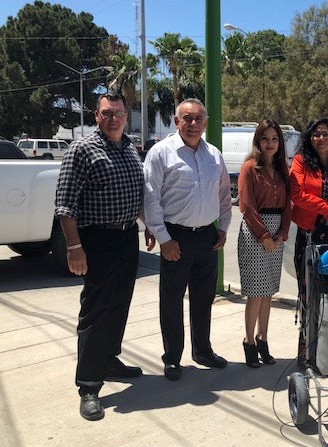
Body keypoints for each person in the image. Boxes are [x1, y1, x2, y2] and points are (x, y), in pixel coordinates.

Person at [55, 92, 151, 421]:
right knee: (95, 311)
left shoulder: (129, 148)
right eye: (107, 113)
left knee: (120, 303)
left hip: (126, 237)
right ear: (97, 116)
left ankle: (109, 360)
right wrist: (74, 247)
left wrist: (147, 225)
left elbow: (135, 194)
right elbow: (65, 204)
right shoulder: (81, 150)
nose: (114, 118)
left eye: (119, 113)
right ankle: (89, 386)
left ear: (126, 116)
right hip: (96, 240)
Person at [143, 98, 232, 382]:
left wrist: (223, 227)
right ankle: (172, 359)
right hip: (175, 237)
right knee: (171, 300)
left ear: (205, 123)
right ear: (176, 121)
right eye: (187, 119)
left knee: (204, 298)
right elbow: (150, 198)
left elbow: (223, 195)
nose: (193, 124)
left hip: (207, 235)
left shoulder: (214, 155)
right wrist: (163, 237)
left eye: (198, 119)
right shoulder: (160, 153)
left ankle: (203, 351)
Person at [290, 117, 328, 366]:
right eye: (316, 134)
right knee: (309, 294)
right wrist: (326, 208)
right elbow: (297, 194)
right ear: (309, 138)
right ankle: (307, 351)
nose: (321, 139)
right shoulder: (301, 161)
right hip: (311, 235)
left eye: (325, 134)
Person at [237, 120, 291, 368]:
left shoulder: (283, 171)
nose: (270, 144)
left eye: (274, 139)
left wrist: (281, 234)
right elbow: (246, 206)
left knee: (268, 292)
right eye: (265, 138)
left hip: (276, 233)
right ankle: (249, 342)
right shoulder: (250, 168)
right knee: (255, 293)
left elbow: (287, 206)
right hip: (255, 232)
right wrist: (264, 236)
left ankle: (263, 339)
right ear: (258, 141)